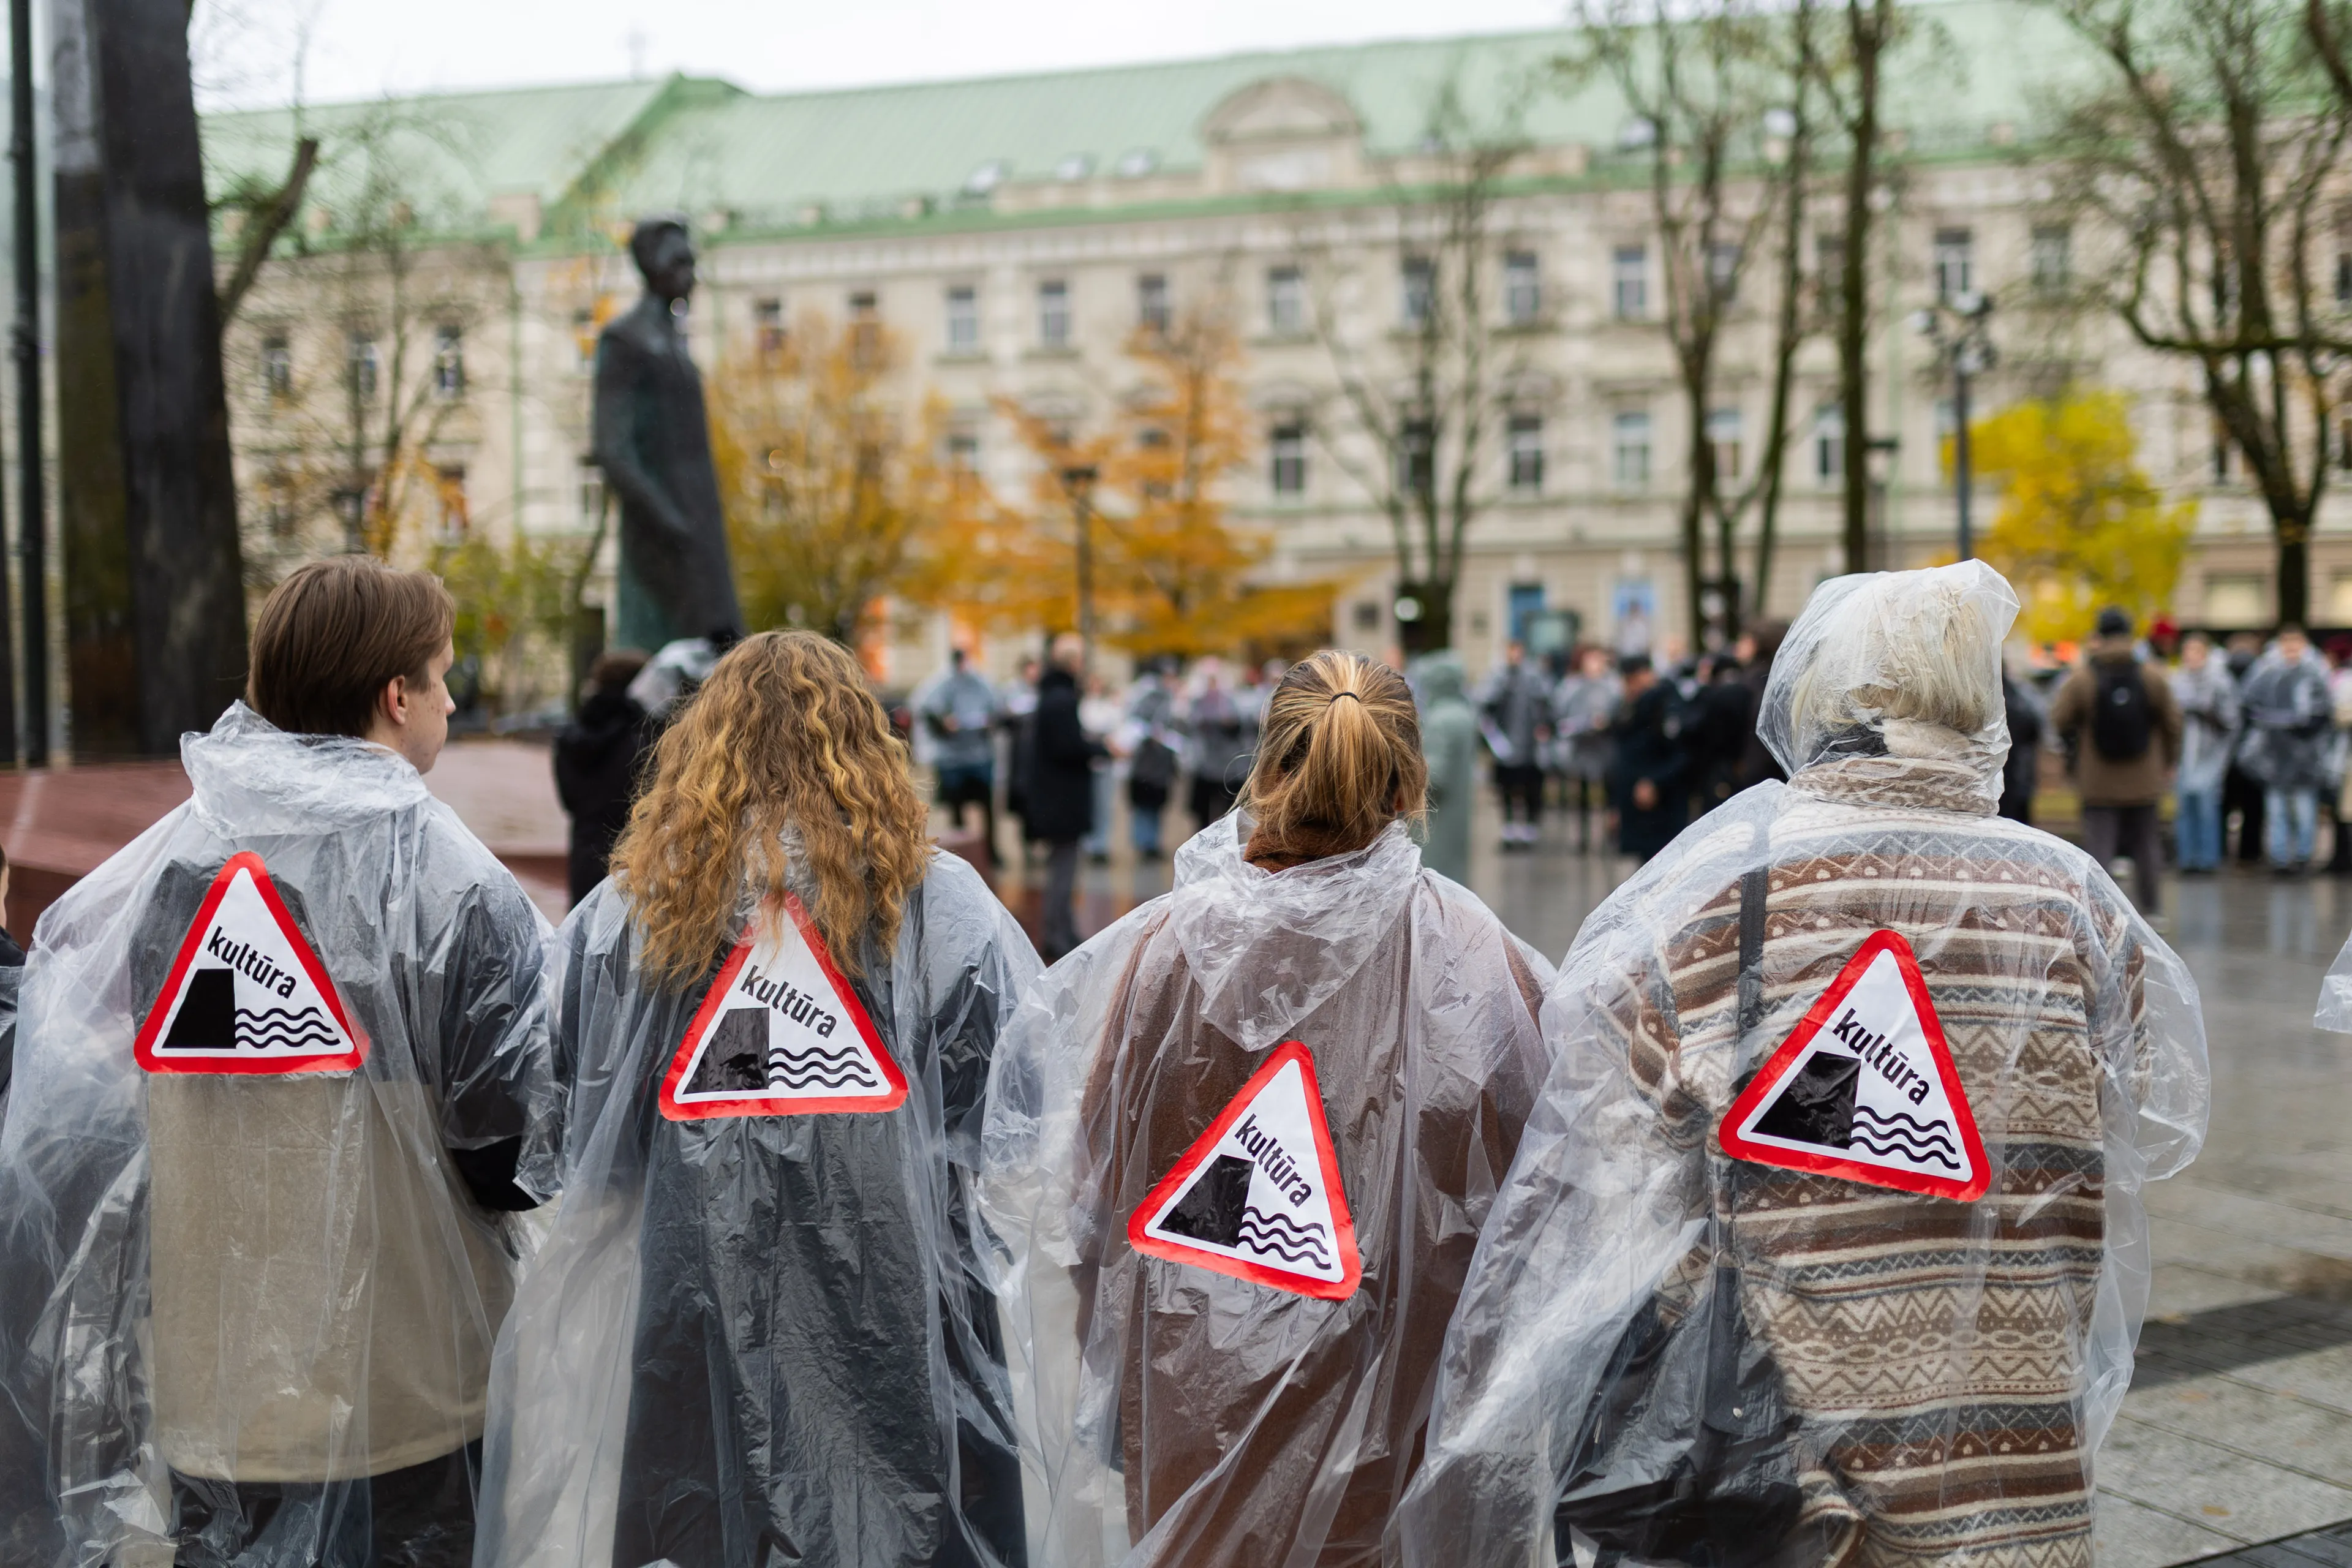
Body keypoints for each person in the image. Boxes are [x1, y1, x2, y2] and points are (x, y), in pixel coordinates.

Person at [1395, 562, 2209, 1568]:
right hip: (2012, 1442)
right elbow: (2152, 1111)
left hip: (1787, 1459)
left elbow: (1612, 1137)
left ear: (1821, 688)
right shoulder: (2074, 903)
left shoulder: (1717, 892)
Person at [0, 556, 556, 1567]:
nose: (454, 697)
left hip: (224, 1399)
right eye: (442, 674)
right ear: (397, 698)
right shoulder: (454, 883)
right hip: (413, 1397)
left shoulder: (182, 871)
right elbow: (510, 1151)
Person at [473, 630, 1042, 1568]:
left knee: (709, 1523)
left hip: (694, 1296)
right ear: (867, 744)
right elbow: (1005, 1117)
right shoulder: (941, 904)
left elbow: (579, 1128)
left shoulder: (639, 911)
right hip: (900, 1301)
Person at [980, 650, 1551, 1567]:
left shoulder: (1167, 953)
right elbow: (1534, 1220)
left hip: (1192, 1411)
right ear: (1409, 785)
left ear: (1267, 764)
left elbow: (1086, 1206)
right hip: (1393, 1434)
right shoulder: (1475, 962)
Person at [2049, 606, 2181, 914]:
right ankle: (2151, 911)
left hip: (2098, 780)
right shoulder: (2151, 674)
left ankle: (2101, 913)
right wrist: (2169, 760)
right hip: (2145, 778)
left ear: (2099, 636)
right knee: (2147, 846)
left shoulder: (2083, 677)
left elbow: (2059, 718)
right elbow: (2174, 721)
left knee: (2100, 849)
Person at [554, 647, 658, 907]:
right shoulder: (646, 734)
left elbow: (569, 799)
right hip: (633, 856)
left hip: (585, 851)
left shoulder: (570, 734)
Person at [1031, 633, 1109, 960]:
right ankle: (1057, 934)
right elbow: (1067, 747)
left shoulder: (1052, 696)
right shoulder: (1062, 699)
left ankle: (1063, 929)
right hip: (1062, 801)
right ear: (1073, 662)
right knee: (1063, 870)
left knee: (1062, 868)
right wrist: (1099, 747)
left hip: (1056, 799)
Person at [2237, 624, 2336, 875]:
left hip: (2306, 759)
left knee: (2304, 812)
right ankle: (2280, 859)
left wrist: (2299, 727)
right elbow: (2250, 705)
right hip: (2274, 756)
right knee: (2277, 811)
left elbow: (2322, 714)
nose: (2291, 649)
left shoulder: (2316, 673)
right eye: (2287, 644)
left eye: (2296, 644)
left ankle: (2303, 857)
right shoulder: (2268, 673)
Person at [917, 646, 1003, 864]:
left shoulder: (981, 683)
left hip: (978, 756)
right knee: (956, 806)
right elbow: (927, 711)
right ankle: (963, 851)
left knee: (986, 805)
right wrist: (944, 724)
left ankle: (990, 851)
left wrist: (988, 723)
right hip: (952, 759)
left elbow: (997, 710)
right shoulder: (941, 683)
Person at [1607, 653, 1689, 864]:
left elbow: (1680, 753)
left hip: (1661, 804)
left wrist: (1654, 781)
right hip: (1638, 802)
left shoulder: (1665, 703)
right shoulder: (1635, 705)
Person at [2172, 631, 2241, 873]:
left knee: (2206, 807)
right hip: (2184, 756)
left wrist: (2208, 714)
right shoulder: (2177, 681)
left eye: (2196, 652)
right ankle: (2187, 858)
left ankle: (2208, 859)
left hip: (2210, 754)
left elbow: (2232, 721)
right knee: (2185, 807)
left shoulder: (2220, 682)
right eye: (2187, 652)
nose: (2191, 657)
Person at [1480, 640, 1552, 850]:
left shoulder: (1535, 677)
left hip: (1530, 746)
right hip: (1504, 745)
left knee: (1531, 787)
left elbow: (1546, 704)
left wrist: (1544, 728)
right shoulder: (1498, 677)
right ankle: (1509, 828)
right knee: (1506, 787)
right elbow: (1485, 705)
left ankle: (1529, 829)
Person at [1416, 651, 1478, 883]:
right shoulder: (1463, 714)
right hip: (1456, 811)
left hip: (1438, 818)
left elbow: (1436, 777)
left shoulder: (1441, 719)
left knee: (1436, 875)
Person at [1553, 646, 1619, 852]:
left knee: (1609, 792)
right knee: (1581, 792)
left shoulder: (1612, 685)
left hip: (1604, 746)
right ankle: (1583, 838)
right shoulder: (1571, 686)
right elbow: (1560, 712)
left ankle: (1610, 835)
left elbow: (1618, 709)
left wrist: (1606, 722)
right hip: (1581, 747)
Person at [1180, 657, 1253, 833]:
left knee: (1227, 811)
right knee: (1203, 812)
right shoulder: (1197, 701)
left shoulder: (1231, 700)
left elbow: (1240, 725)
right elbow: (1188, 724)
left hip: (1227, 766)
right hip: (1204, 765)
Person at [1121, 662, 1180, 860]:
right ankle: (1143, 842)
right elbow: (1135, 723)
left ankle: (1153, 842)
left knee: (1158, 804)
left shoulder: (1175, 701)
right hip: (1146, 763)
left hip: (1163, 764)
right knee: (1143, 804)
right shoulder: (1148, 698)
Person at [2223, 631, 2269, 862]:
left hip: (2226, 752)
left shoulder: (2223, 673)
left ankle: (2223, 852)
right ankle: (2250, 853)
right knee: (2253, 807)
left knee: (2224, 805)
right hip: (2254, 753)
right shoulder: (2264, 675)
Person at [1999, 666, 2046, 824]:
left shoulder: (1980, 692)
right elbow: (2033, 727)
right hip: (2015, 770)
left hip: (1996, 774)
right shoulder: (2017, 693)